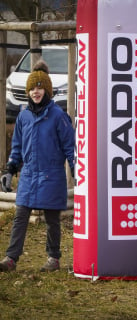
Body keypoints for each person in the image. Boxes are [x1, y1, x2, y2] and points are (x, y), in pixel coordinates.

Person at [0, 60, 75, 272]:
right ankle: (11, 258)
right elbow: (17, 147)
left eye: (40, 87)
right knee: (20, 217)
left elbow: (70, 147)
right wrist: (10, 170)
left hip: (52, 175)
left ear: (47, 90)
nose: (36, 92)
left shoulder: (59, 117)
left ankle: (53, 258)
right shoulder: (23, 117)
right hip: (28, 175)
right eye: (32, 88)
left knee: (52, 220)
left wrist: (77, 169)